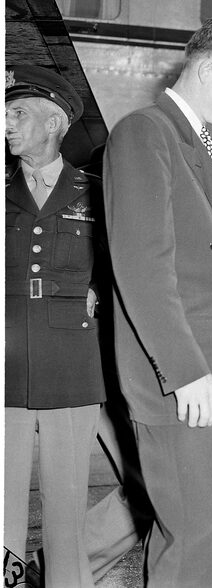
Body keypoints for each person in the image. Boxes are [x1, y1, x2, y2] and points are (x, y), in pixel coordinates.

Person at [103, 17, 212, 586]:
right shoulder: (144, 133)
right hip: (184, 378)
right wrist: (184, 370)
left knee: (204, 535)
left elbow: (189, 255)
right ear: (206, 69)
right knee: (195, 539)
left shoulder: (194, 142)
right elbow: (143, 267)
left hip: (211, 376)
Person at [4, 65, 106, 586]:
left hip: (73, 360)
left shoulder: (98, 192)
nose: (7, 123)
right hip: (8, 359)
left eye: (18, 112)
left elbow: (126, 264)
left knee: (66, 504)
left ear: (55, 123)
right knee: (2, 503)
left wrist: (102, 292)